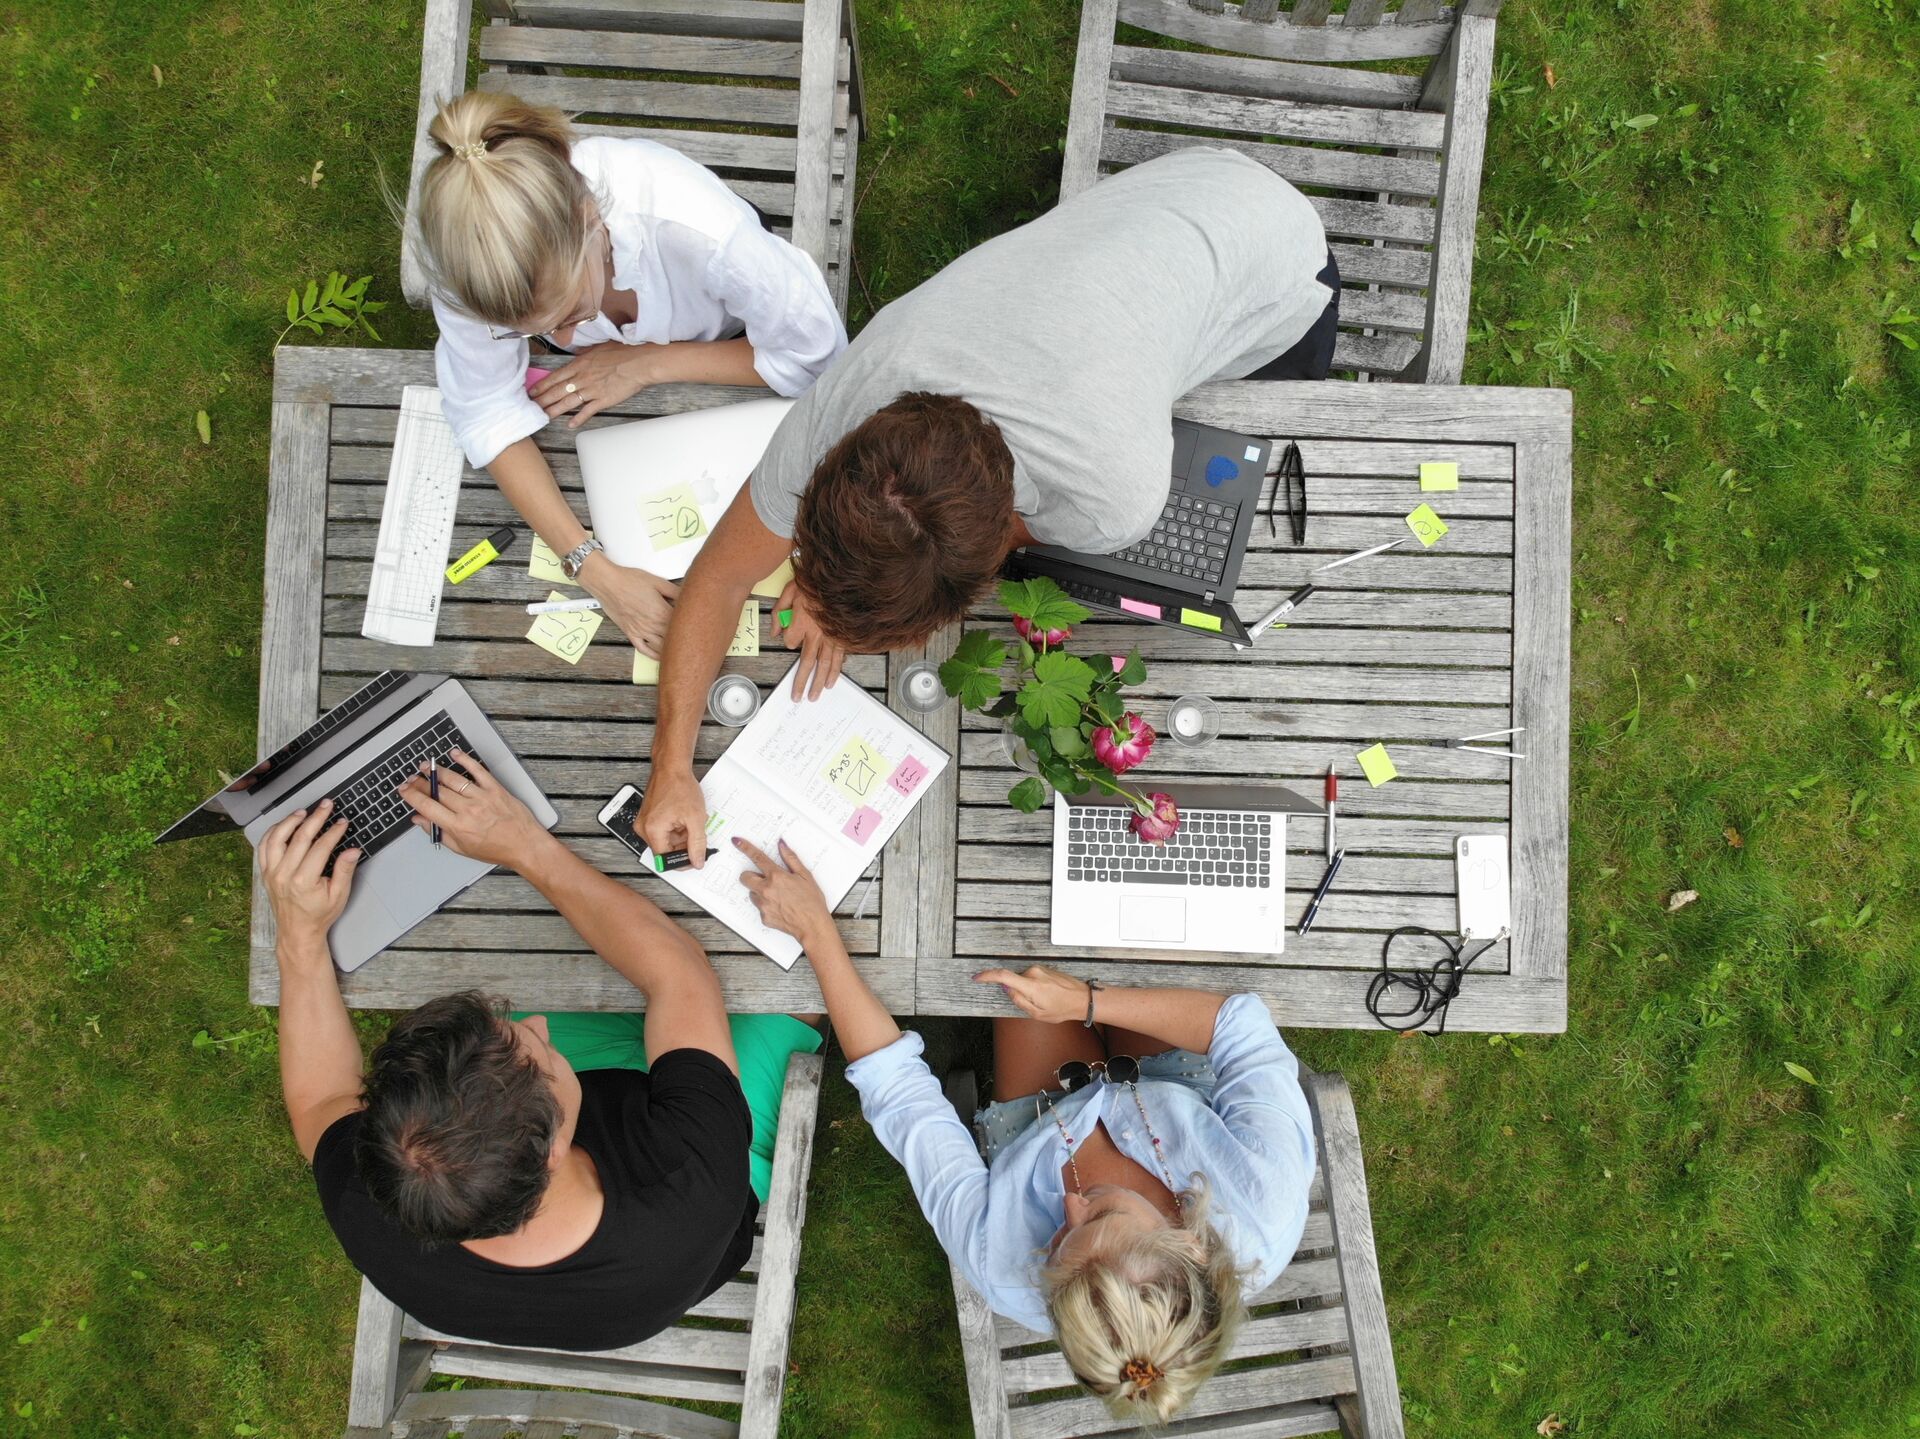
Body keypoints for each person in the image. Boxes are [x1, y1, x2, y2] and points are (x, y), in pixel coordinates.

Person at [637, 146, 1339, 864]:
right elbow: (719, 575)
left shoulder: (1113, 497)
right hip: (1171, 203)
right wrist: (671, 766)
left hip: (1280, 269)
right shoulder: (846, 405)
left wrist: (848, 595)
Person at [728, 835, 1317, 1426]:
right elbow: (1241, 1027)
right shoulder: (1265, 1197)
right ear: (1190, 1242)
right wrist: (1087, 1002)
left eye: (1056, 1246)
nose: (1069, 1203)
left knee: (1008, 925)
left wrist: (817, 935)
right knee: (1125, 903)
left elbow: (899, 1094)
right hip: (1175, 1079)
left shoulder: (1003, 1267)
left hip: (1040, 1116)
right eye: (1101, 1216)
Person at [259, 749, 822, 1351]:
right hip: (693, 1176)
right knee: (790, 978)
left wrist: (300, 934)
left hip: (592, 1179)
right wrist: (526, 847)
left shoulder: (380, 1189)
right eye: (538, 1058)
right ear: (555, 1149)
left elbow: (320, 1099)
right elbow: (681, 975)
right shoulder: (690, 1179)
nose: (539, 1028)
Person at [414, 90, 847, 657]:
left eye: (572, 313)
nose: (565, 340)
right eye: (529, 333)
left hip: (724, 339)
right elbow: (483, 409)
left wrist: (645, 363)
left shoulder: (705, 234)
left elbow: (818, 359)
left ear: (591, 221)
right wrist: (592, 568)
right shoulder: (470, 264)